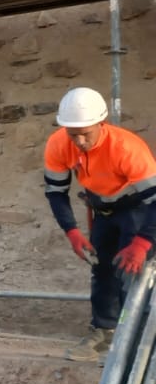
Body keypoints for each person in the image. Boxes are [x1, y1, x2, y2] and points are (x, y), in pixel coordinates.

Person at [44, 86, 156, 362]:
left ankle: (137, 344)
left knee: (135, 274)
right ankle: (104, 333)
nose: (80, 140)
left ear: (101, 124)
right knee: (102, 269)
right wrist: (71, 231)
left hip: (138, 211)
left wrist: (142, 243)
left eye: (86, 133)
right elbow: (56, 192)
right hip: (103, 211)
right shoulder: (58, 144)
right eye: (73, 134)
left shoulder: (126, 148)